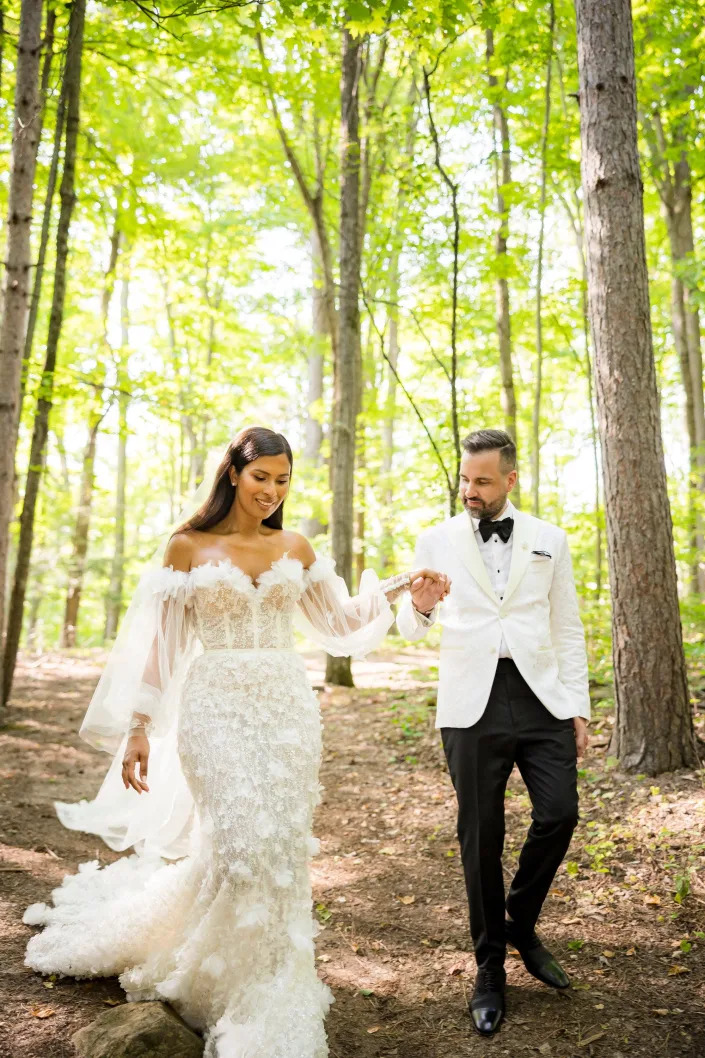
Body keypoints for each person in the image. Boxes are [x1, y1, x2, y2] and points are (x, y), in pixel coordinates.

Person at [23, 427, 449, 1058]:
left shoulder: (297, 547)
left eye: (282, 481)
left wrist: (403, 589)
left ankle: (269, 982)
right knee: (239, 841)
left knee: (277, 847)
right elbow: (161, 648)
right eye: (261, 478)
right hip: (214, 708)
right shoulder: (186, 547)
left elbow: (341, 626)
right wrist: (138, 730)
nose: (272, 492)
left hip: (285, 710)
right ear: (233, 475)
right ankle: (213, 975)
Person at [397, 428, 590, 1037]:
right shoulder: (436, 539)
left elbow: (567, 628)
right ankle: (489, 971)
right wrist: (422, 605)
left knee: (560, 814)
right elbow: (410, 629)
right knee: (481, 834)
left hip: (542, 698)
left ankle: (519, 922)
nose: (470, 491)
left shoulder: (550, 540)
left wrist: (578, 708)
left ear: (510, 479)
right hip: (470, 702)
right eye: (464, 480)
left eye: (482, 480)